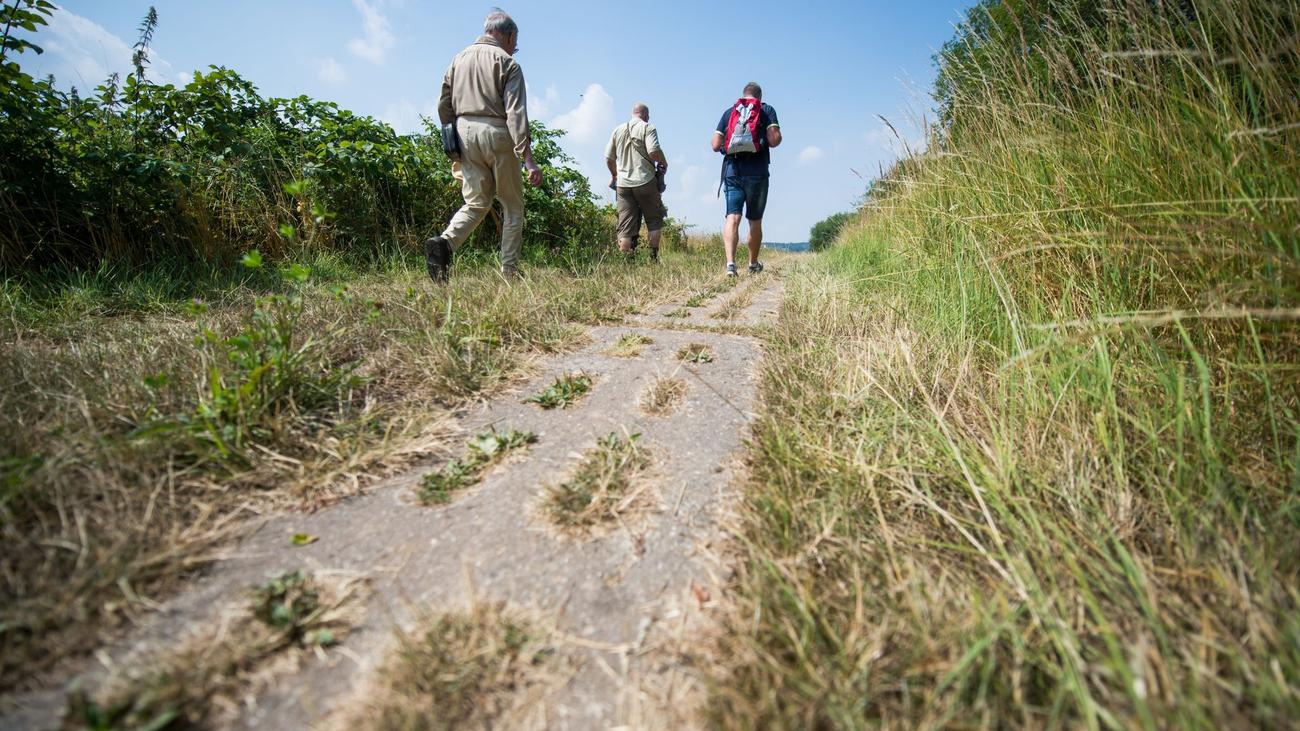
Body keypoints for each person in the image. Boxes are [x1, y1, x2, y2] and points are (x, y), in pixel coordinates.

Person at [425, 8, 543, 282]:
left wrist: (453, 138)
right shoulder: (508, 63)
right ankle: (509, 271)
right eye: (515, 43)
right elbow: (515, 113)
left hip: (464, 133)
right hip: (498, 132)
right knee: (512, 206)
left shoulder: (458, 59)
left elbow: (443, 104)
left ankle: (444, 244)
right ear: (508, 36)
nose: (515, 49)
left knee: (476, 202)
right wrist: (528, 159)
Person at [710, 81, 781, 276]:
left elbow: (715, 144)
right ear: (760, 97)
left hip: (732, 172)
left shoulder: (730, 112)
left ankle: (730, 264)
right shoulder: (766, 110)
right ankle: (752, 264)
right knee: (754, 221)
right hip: (757, 172)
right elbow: (774, 140)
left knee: (732, 217)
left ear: (743, 95)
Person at [604, 102, 668, 262]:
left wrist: (614, 175)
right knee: (653, 221)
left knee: (625, 227)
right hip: (645, 180)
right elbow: (653, 151)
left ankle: (626, 262)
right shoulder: (647, 127)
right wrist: (664, 162)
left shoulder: (618, 130)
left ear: (633, 113)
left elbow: (609, 158)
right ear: (646, 115)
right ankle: (653, 258)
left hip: (623, 184)